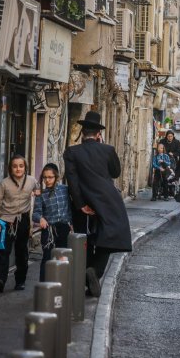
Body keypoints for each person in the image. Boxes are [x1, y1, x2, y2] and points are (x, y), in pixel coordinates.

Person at [64, 110, 133, 297]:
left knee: (84, 241)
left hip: (83, 203)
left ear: (82, 132)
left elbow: (72, 181)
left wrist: (80, 205)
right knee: (109, 238)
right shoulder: (108, 150)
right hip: (107, 201)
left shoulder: (71, 152)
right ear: (98, 134)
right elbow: (115, 172)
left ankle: (89, 275)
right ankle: (95, 271)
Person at [0, 154, 39, 293]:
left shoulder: (31, 181)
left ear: (25, 167)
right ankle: (0, 280)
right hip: (6, 220)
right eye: (15, 166)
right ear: (10, 168)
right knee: (4, 252)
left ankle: (20, 281)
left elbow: (40, 191)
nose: (18, 169)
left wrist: (38, 192)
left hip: (23, 220)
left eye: (21, 166)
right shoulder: (4, 183)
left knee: (22, 251)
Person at [33, 163, 72, 282]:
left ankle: (62, 284)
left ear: (56, 177)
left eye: (50, 177)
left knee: (63, 257)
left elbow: (72, 207)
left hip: (64, 228)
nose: (47, 180)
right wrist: (41, 219)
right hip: (49, 230)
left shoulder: (65, 190)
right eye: (45, 177)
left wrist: (72, 223)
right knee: (47, 257)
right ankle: (44, 286)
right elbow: (35, 213)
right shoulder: (41, 194)